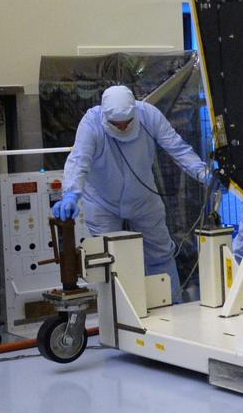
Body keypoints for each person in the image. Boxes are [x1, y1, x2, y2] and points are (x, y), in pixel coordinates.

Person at [51, 85, 210, 303]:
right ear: (106, 117)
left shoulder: (148, 115)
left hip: (143, 198)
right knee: (110, 261)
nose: (123, 127)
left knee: (160, 254)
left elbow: (177, 148)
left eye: (127, 121)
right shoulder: (91, 123)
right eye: (117, 124)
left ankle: (170, 305)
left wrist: (203, 173)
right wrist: (70, 195)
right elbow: (79, 162)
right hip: (101, 202)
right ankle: (118, 319)